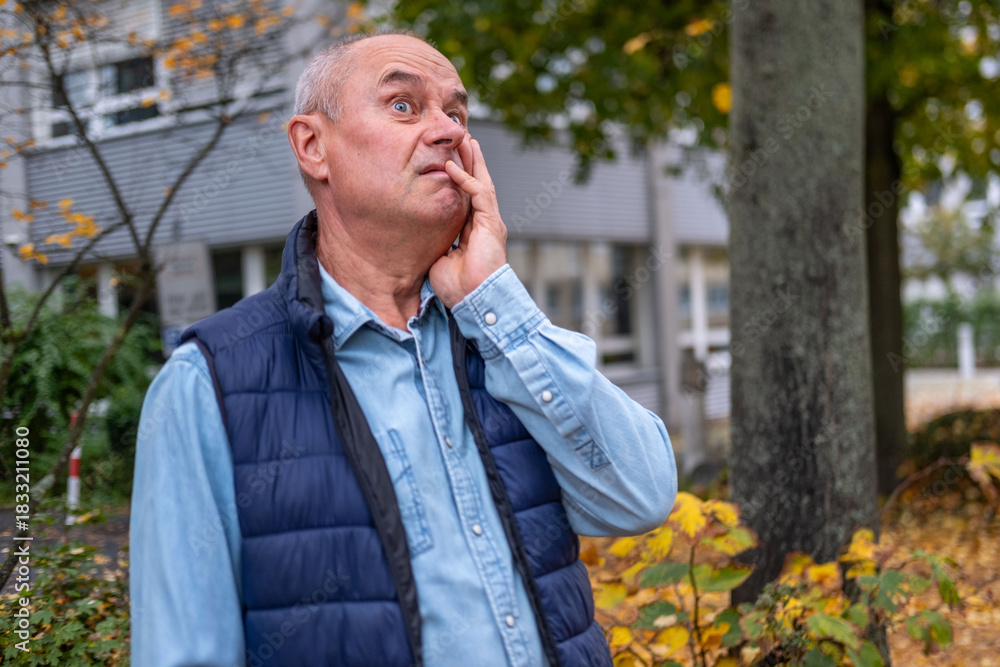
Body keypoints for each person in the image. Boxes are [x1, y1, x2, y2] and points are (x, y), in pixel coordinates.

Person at [129, 29, 677, 667]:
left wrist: (495, 300)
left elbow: (640, 496)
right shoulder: (208, 383)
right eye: (403, 105)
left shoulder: (498, 336)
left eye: (457, 113)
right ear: (312, 146)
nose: (447, 131)